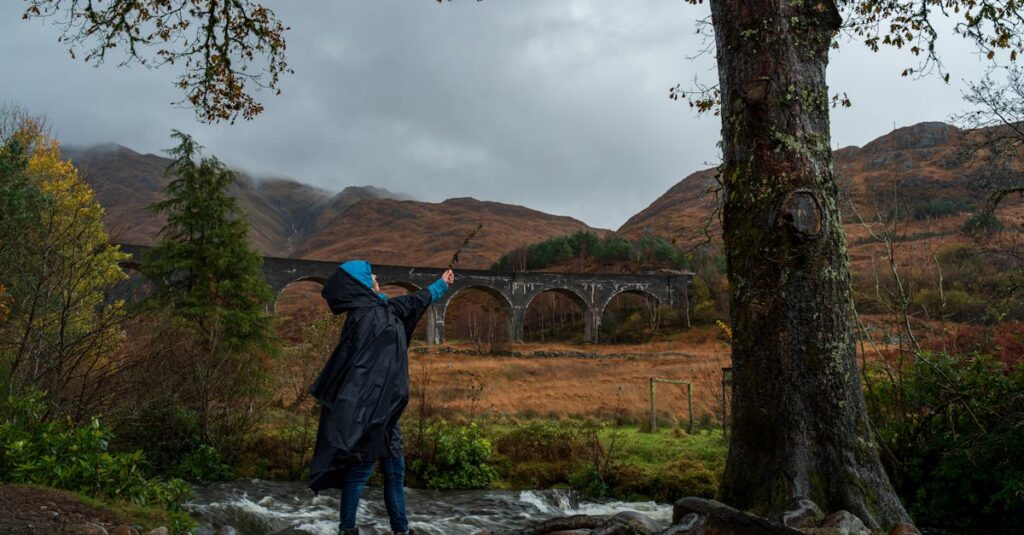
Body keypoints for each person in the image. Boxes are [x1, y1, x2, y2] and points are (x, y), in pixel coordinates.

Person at [308, 260, 454, 535]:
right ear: (361, 283)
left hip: (387, 413)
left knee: (395, 472)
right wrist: (365, 413)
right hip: (370, 415)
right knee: (360, 473)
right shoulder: (364, 318)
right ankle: (347, 530)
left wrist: (442, 284)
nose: (376, 276)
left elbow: (414, 302)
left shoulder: (383, 309)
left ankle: (401, 530)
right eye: (370, 274)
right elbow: (361, 374)